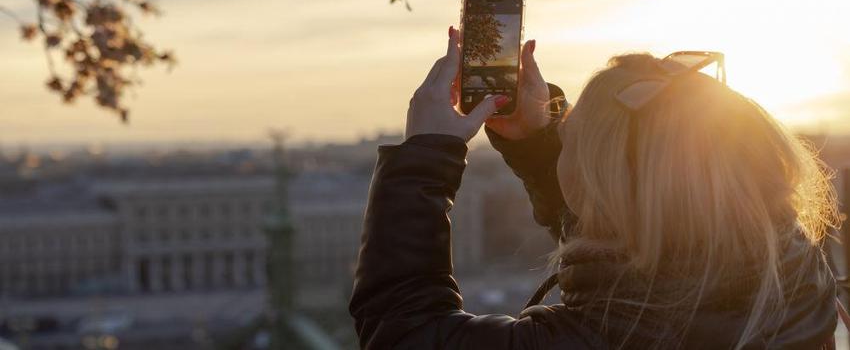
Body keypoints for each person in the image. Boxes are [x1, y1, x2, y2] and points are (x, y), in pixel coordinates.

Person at [349, 26, 841, 349]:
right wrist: (538, 142)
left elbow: (402, 328)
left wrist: (424, 156)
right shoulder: (799, 280)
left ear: (604, 182)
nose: (562, 142)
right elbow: (639, 231)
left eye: (570, 138)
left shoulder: (601, 336)